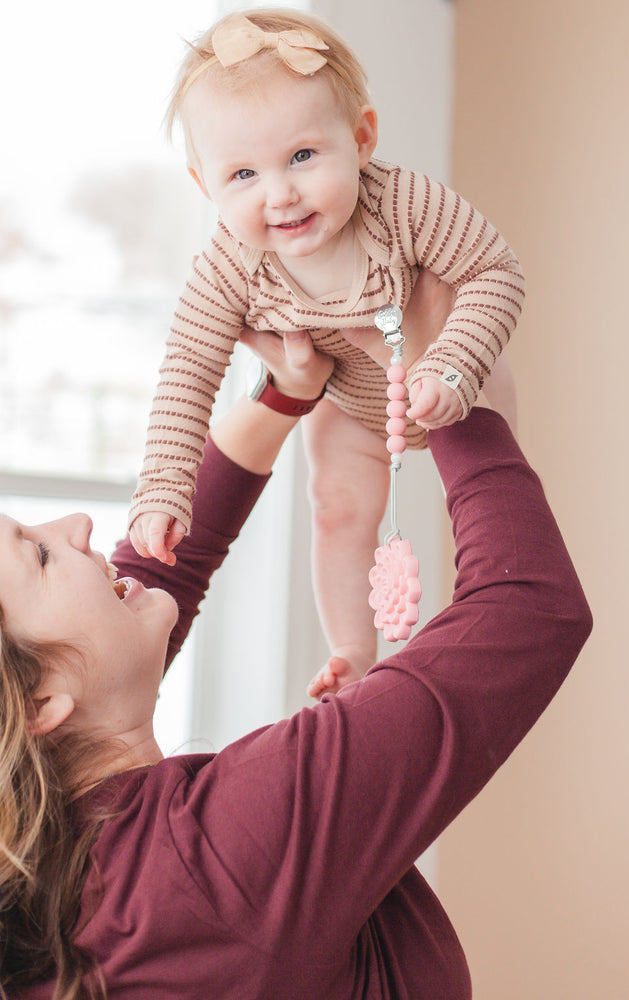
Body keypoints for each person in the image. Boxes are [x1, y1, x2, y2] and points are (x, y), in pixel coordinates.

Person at [0, 280, 591, 998]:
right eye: (37, 554)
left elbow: (148, 579)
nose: (76, 529)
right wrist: (448, 385)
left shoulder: (48, 887)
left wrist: (284, 392)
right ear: (40, 702)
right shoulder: (224, 852)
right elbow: (526, 609)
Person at [128, 7, 526, 697]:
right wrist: (162, 490)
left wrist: (452, 364)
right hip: (348, 404)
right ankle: (352, 652)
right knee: (336, 507)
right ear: (205, 186)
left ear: (361, 137)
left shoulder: (402, 205)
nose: (279, 193)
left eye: (303, 157)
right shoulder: (229, 265)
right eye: (243, 175)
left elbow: (495, 271)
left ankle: (488, 618)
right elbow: (186, 377)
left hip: (454, 378)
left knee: (478, 514)